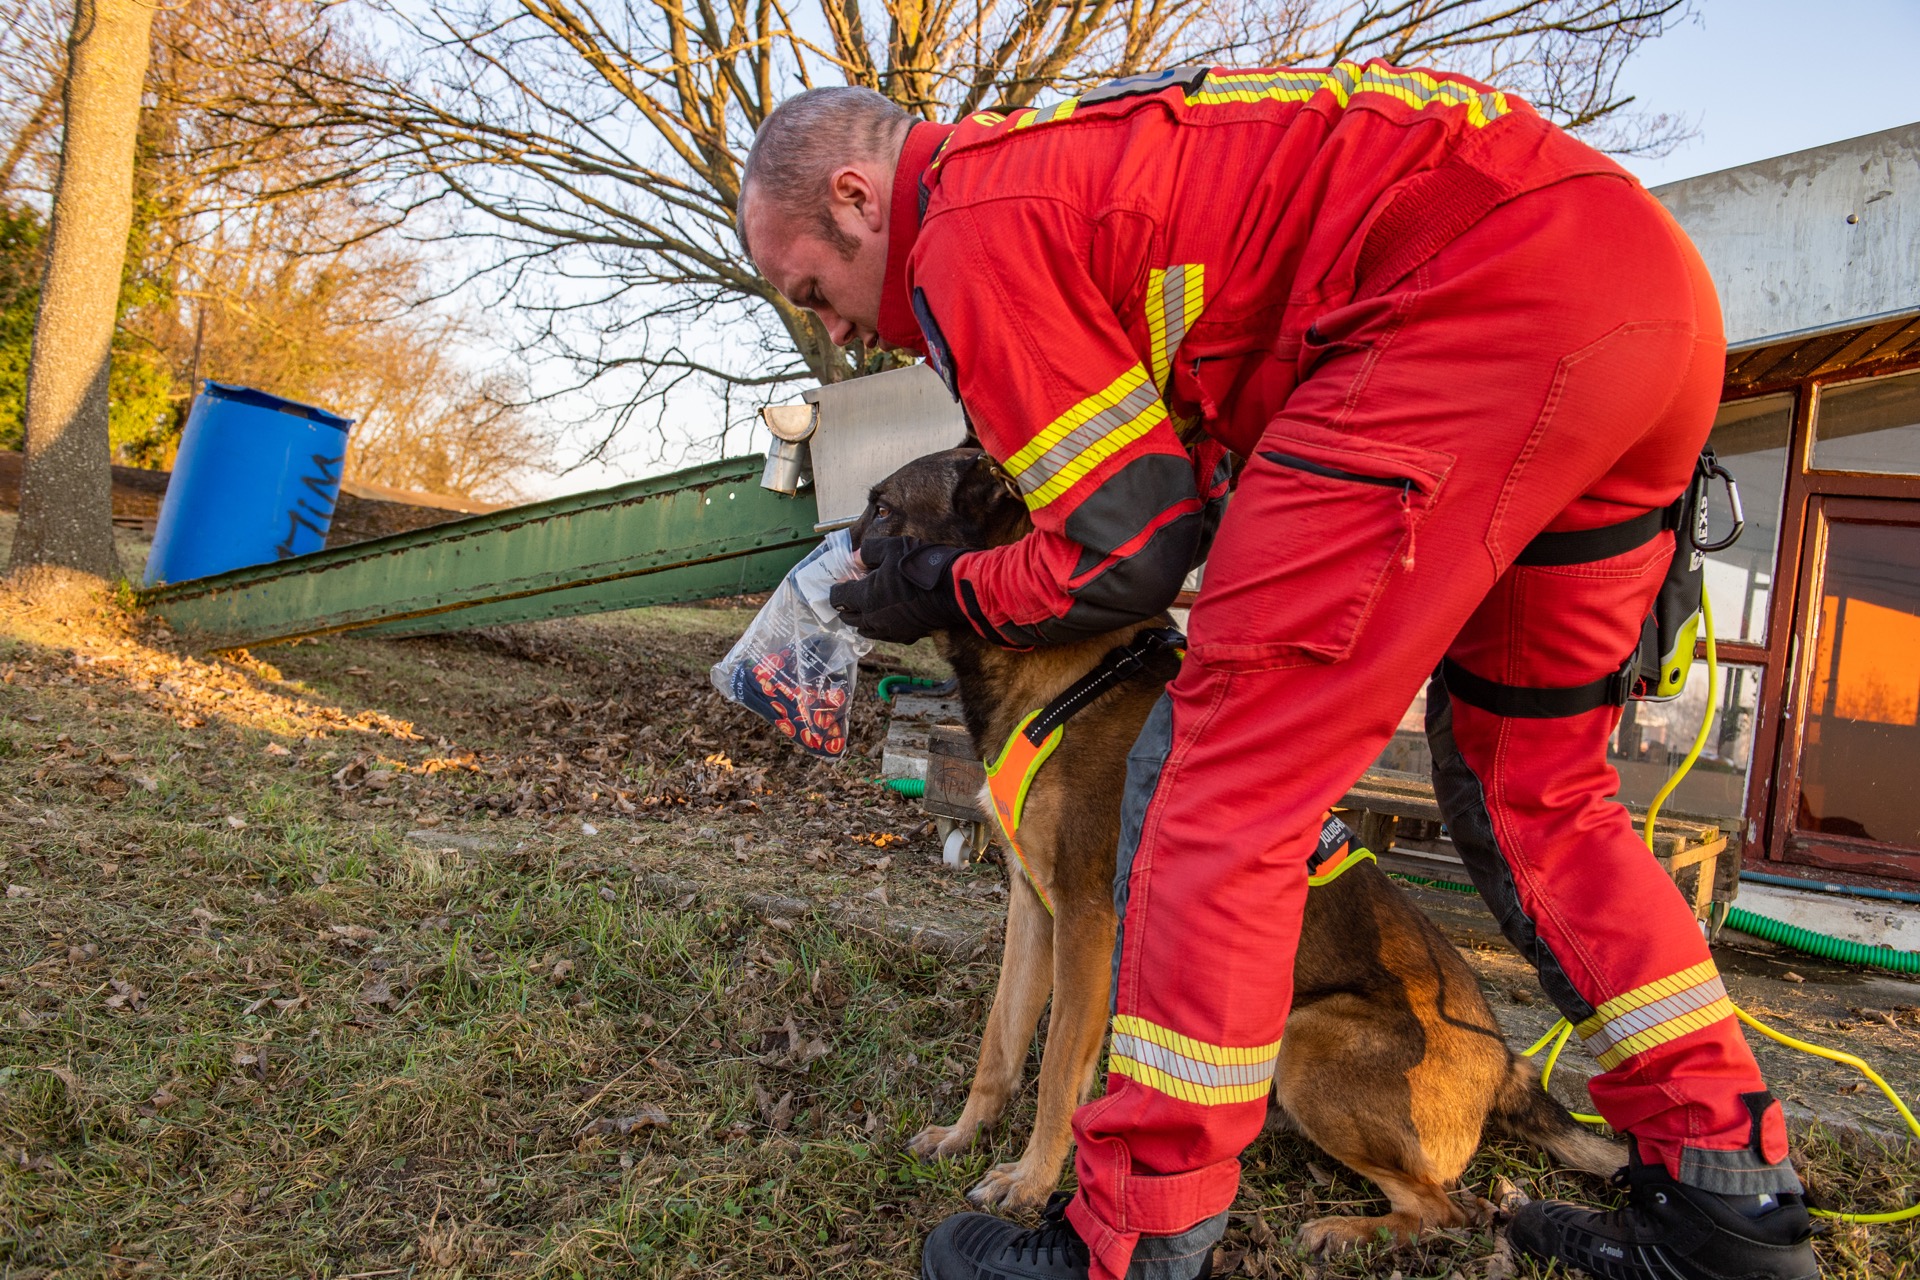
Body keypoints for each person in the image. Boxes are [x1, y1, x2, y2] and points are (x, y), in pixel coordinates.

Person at [735, 66, 1818, 1280]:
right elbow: (1188, 484)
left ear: (856, 195)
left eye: (812, 289)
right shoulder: (1097, 167)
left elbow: (1129, 548)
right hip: (1645, 293)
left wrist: (947, 589)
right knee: (1538, 791)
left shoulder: (970, 226)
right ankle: (1729, 1203)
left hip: (1463, 303)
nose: (832, 327)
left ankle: (1128, 1238)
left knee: (1216, 778)